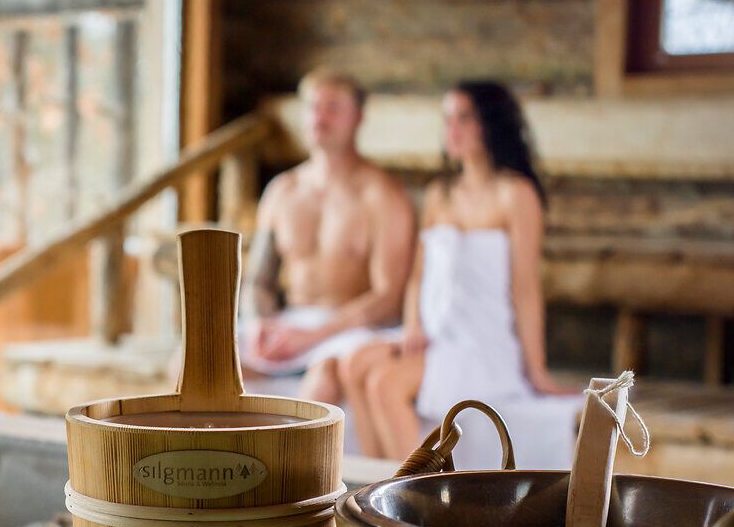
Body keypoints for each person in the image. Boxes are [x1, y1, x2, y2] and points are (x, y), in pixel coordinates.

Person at [340, 81, 578, 467]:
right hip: (435, 334)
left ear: (491, 124)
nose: (452, 129)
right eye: (447, 118)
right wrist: (413, 325)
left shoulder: (516, 195)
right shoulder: (440, 195)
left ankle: (417, 497)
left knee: (385, 384)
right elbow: (419, 275)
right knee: (354, 364)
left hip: (481, 343)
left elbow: (525, 288)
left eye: (464, 118)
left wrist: (537, 372)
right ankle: (380, 488)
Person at [239, 68, 416, 405]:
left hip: (349, 330)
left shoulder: (381, 195)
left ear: (358, 118)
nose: (319, 118)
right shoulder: (282, 191)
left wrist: (313, 337)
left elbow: (388, 297)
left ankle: (295, 458)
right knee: (194, 361)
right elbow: (258, 281)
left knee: (324, 377)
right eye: (312, 107)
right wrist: (259, 322)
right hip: (291, 320)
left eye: (333, 108)